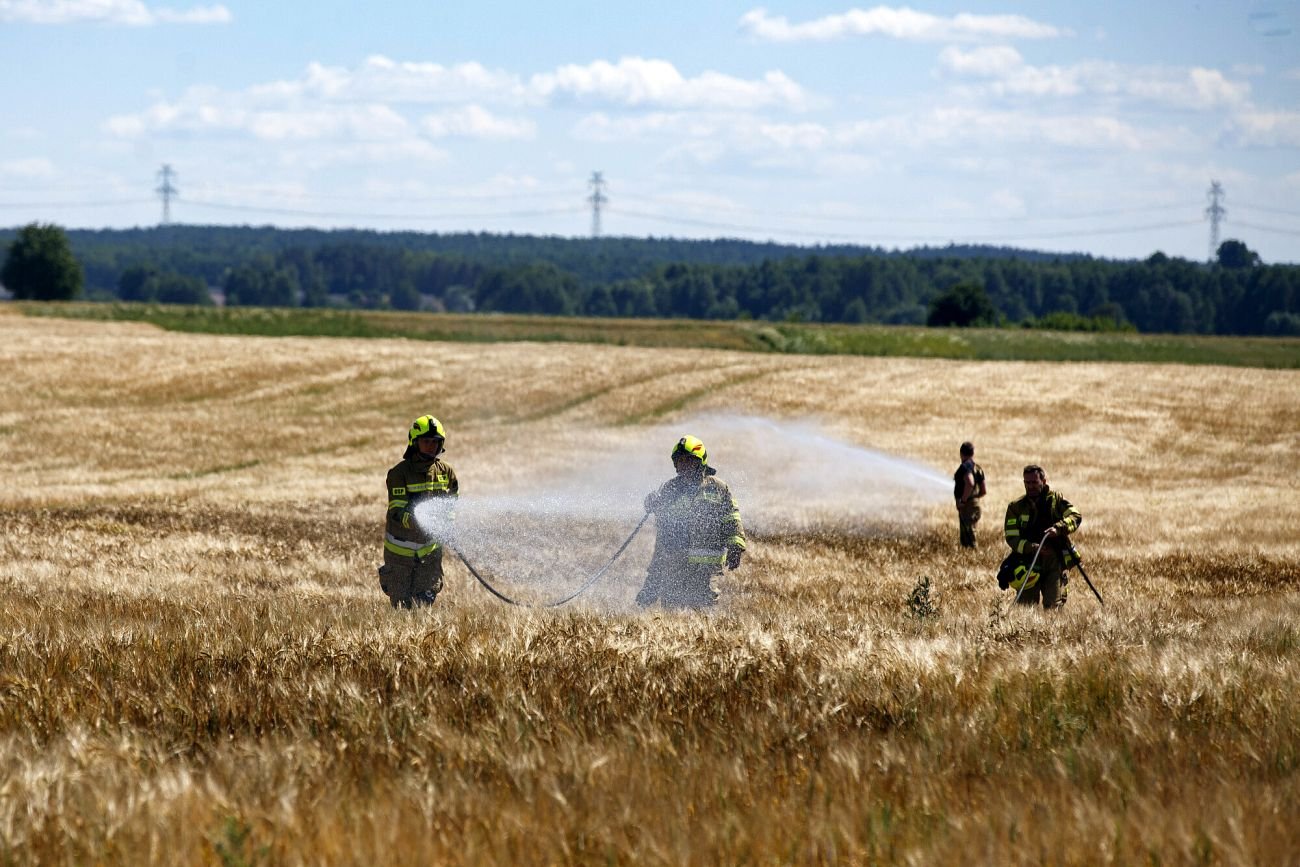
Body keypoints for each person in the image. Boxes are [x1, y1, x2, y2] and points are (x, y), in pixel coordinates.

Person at [635, 435, 746, 609]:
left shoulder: (717, 488)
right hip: (674, 565)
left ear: (701, 461)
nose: (685, 466)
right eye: (680, 462)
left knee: (704, 613)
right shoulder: (670, 488)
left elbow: (732, 518)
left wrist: (735, 546)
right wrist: (651, 502)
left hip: (706, 567)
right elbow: (661, 520)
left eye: (689, 461)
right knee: (672, 615)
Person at [379, 415, 459, 609]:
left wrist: (447, 525)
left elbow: (452, 504)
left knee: (424, 605)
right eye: (426, 442)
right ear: (414, 443)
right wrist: (418, 520)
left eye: (435, 442)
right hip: (400, 554)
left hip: (430, 553)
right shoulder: (399, 474)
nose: (431, 446)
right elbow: (397, 510)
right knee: (401, 607)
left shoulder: (446, 473)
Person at [1001, 464, 1081, 609]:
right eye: (1027, 482)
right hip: (1028, 562)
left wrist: (1059, 528)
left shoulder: (1056, 500)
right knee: (1026, 608)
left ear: (1044, 481)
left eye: (1034, 482)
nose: (1030, 486)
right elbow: (1012, 537)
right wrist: (1032, 548)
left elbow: (1075, 516)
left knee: (1053, 608)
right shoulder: (1016, 507)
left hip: (1054, 561)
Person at [953, 441, 986, 548]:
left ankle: (974, 555)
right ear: (973, 453)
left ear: (961, 453)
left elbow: (970, 483)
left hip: (967, 505)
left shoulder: (965, 467)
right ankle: (971, 557)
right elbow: (983, 491)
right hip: (975, 504)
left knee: (968, 534)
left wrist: (963, 500)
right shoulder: (978, 468)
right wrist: (975, 499)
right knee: (970, 530)